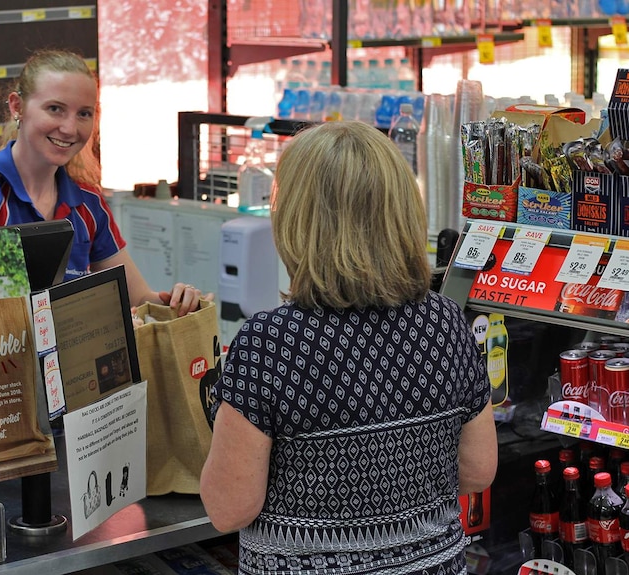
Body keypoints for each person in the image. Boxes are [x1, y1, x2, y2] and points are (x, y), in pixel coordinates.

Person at [200, 121, 497, 574]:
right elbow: (478, 472)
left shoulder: (270, 344)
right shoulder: (446, 321)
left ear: (297, 219)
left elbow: (228, 508)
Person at [0, 48, 207, 315]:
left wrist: (179, 304)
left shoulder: (89, 204)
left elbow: (140, 299)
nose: (70, 128)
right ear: (17, 107)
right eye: (55, 109)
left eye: (84, 114)